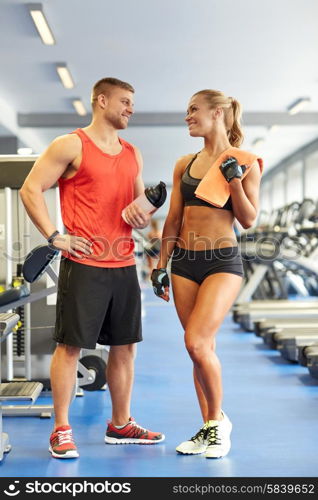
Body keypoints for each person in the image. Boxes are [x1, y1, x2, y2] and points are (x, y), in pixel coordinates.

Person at [20, 77, 164, 459]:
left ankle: (120, 424)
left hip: (123, 263)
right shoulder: (70, 144)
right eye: (125, 101)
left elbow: (136, 209)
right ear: (101, 100)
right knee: (70, 347)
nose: (131, 108)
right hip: (83, 262)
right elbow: (30, 189)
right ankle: (62, 429)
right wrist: (55, 236)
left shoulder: (133, 152)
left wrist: (144, 210)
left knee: (125, 347)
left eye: (133, 102)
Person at [151, 89, 261, 459]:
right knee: (200, 351)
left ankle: (218, 425)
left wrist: (233, 181)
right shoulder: (184, 163)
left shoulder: (245, 161)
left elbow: (247, 219)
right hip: (183, 262)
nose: (187, 117)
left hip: (222, 262)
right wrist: (159, 265)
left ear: (217, 113)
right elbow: (173, 219)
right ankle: (209, 426)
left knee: (196, 342)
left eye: (193, 110)